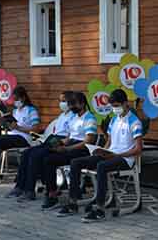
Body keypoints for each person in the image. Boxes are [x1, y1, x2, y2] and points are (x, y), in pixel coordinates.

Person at [57, 89, 143, 222]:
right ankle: (73, 202)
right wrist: (102, 150)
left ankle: (100, 208)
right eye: (113, 106)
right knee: (76, 162)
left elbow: (138, 149)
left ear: (125, 103)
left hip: (125, 158)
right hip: (111, 154)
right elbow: (109, 141)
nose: (115, 109)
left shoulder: (134, 122)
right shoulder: (114, 120)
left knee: (101, 166)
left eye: (117, 106)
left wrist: (118, 154)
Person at [6, 91, 75, 200]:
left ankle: (29, 190)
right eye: (60, 101)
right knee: (26, 153)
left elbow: (70, 135)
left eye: (64, 101)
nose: (61, 103)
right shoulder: (62, 115)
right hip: (53, 138)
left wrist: (59, 143)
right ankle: (19, 186)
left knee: (35, 155)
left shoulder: (74, 116)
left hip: (61, 140)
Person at [39, 92, 98, 210]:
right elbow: (69, 137)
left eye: (74, 104)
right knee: (45, 156)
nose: (71, 107)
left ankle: (64, 196)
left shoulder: (90, 118)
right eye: (70, 104)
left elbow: (88, 141)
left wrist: (66, 149)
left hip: (82, 149)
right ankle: (51, 192)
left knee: (52, 160)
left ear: (82, 104)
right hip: (71, 145)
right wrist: (57, 143)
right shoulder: (75, 118)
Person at [0, 86, 40, 184]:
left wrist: (18, 128)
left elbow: (35, 129)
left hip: (24, 138)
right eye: (14, 99)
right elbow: (13, 127)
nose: (15, 102)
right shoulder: (15, 111)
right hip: (14, 135)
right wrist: (7, 124)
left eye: (17, 99)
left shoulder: (31, 110)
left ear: (23, 98)